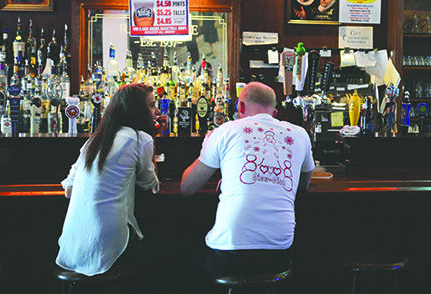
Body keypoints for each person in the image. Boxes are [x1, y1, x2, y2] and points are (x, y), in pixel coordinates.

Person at [181, 82, 315, 276]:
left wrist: (209, 147)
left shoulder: (225, 131)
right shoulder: (300, 135)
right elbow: (303, 185)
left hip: (229, 251)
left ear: (240, 107)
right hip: (279, 251)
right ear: (274, 114)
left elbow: (187, 188)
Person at [56, 83, 168, 276]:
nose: (157, 110)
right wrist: (152, 137)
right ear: (137, 111)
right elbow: (151, 184)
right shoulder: (140, 138)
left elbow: (69, 186)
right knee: (161, 256)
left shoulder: (96, 139)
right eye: (151, 105)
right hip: (108, 247)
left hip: (72, 244)